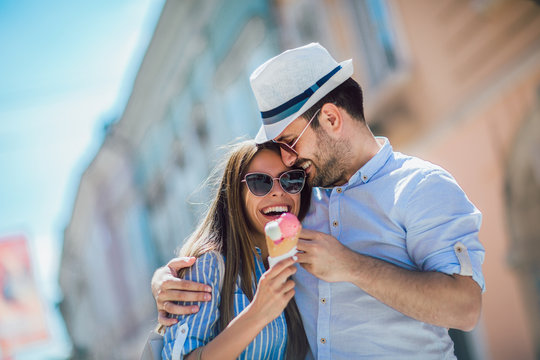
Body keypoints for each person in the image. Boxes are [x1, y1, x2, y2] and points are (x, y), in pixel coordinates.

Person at [152, 43, 485, 359]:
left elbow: (465, 309)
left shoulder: (420, 187)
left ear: (331, 119)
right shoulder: (298, 202)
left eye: (289, 141)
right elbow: (236, 242)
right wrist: (167, 281)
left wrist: (350, 266)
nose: (287, 159)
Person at [159, 140, 311, 359]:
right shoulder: (209, 264)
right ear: (235, 194)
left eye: (291, 180)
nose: (279, 192)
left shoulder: (301, 259)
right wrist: (257, 313)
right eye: (260, 182)